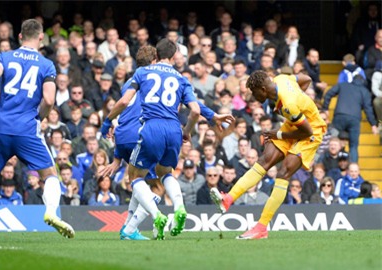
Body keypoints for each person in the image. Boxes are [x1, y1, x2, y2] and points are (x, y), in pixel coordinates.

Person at [100, 44, 233, 240]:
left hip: (148, 129)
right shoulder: (181, 78)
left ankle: (155, 216)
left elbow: (123, 103)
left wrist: (106, 122)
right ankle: (177, 208)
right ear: (174, 55)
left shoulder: (141, 73)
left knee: (135, 177)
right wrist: (191, 129)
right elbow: (195, 110)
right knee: (165, 173)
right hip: (174, 129)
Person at [0, 19, 75, 243]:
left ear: (19, 36)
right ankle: (51, 212)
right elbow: (48, 99)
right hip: (28, 130)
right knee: (49, 175)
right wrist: (40, 117)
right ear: (40, 38)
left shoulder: (3, 57)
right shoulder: (46, 64)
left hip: (1, 128)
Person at [210, 70, 326, 239]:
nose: (253, 96)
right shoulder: (281, 79)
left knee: (283, 172)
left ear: (263, 89)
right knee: (265, 160)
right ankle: (228, 198)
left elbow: (307, 131)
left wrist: (279, 133)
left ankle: (261, 227)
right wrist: (303, 102)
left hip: (312, 131)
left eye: (254, 92)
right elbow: (307, 78)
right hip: (294, 124)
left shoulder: (289, 103)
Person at [322, 75, 378, 162]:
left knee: (331, 142)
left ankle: (325, 164)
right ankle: (353, 167)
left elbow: (329, 93)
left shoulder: (343, 85)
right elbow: (368, 109)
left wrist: (325, 108)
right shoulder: (365, 91)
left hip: (339, 117)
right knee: (353, 146)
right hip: (354, 120)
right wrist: (373, 124)